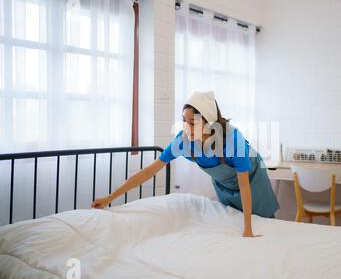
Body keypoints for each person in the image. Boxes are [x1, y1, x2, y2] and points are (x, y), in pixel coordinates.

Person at [91, 91, 279, 237]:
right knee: (231, 215)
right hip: (225, 185)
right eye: (184, 121)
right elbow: (148, 172)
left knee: (265, 221)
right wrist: (110, 197)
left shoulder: (232, 140)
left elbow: (245, 185)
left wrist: (247, 230)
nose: (186, 128)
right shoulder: (182, 142)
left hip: (252, 181)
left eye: (193, 122)